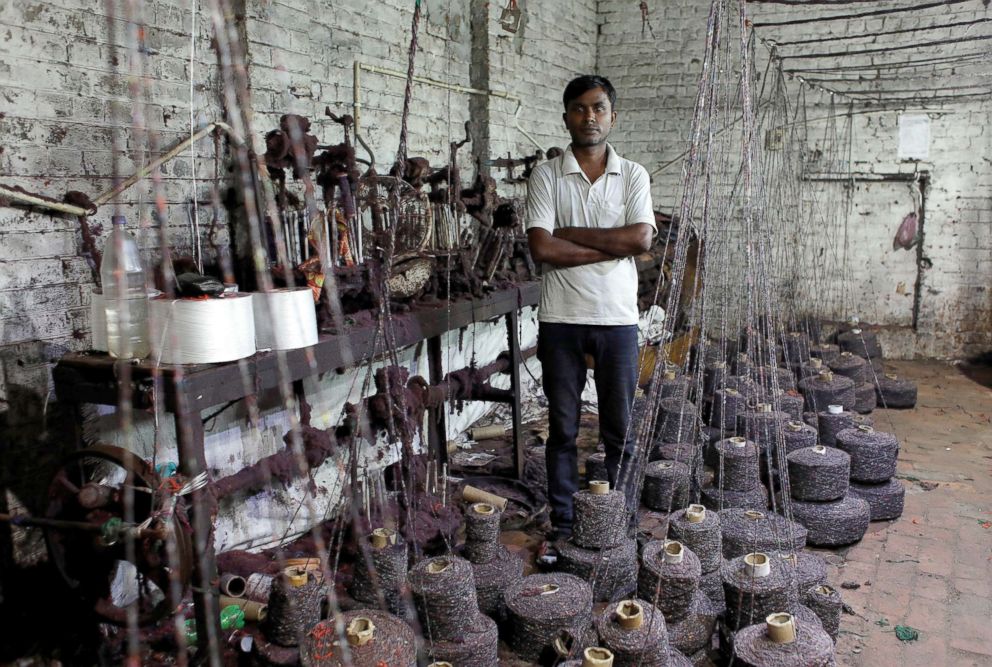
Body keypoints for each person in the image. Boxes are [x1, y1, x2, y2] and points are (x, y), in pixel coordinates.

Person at [525, 75, 656, 551]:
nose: (590, 117)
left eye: (598, 108)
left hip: (618, 320)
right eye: (579, 109)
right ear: (566, 116)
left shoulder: (634, 175)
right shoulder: (546, 175)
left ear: (612, 116)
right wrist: (610, 246)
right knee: (562, 428)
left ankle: (618, 520)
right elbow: (542, 246)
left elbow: (640, 239)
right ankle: (563, 522)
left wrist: (572, 233)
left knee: (619, 429)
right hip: (561, 318)